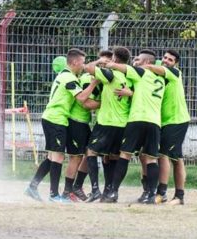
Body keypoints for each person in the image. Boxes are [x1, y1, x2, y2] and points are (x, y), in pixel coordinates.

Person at [24, 48, 99, 202]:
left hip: (53, 118)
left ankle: (32, 187)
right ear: (75, 62)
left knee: (52, 156)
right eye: (82, 63)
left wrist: (98, 63)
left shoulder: (65, 74)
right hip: (56, 119)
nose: (83, 66)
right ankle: (54, 195)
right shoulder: (68, 78)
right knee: (58, 157)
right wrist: (93, 83)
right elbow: (81, 98)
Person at [102, 49, 164, 203]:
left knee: (125, 155)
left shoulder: (141, 73)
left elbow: (120, 67)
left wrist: (108, 63)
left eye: (138, 60)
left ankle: (113, 192)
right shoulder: (161, 79)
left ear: (147, 63)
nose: (135, 62)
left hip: (137, 119)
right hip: (155, 121)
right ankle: (151, 195)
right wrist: (132, 93)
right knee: (151, 159)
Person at [82, 46, 132, 202]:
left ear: (115, 59)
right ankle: (110, 192)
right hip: (123, 123)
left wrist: (99, 61)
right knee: (113, 157)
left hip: (107, 122)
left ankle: (95, 189)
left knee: (91, 152)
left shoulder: (111, 75)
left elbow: (87, 68)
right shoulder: (131, 76)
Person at [142, 49, 190, 205]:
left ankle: (161, 193)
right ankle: (179, 195)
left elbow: (159, 69)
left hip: (176, 120)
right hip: (165, 121)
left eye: (170, 59)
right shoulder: (160, 77)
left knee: (163, 155)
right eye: (165, 57)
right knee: (177, 158)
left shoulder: (174, 73)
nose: (166, 60)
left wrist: (145, 65)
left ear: (175, 63)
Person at [62, 49, 110, 201]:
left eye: (108, 64)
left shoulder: (106, 79)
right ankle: (68, 190)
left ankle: (77, 186)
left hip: (84, 123)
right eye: (102, 63)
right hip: (76, 121)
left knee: (88, 154)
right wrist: (107, 104)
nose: (105, 67)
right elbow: (84, 103)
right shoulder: (86, 79)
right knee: (76, 157)